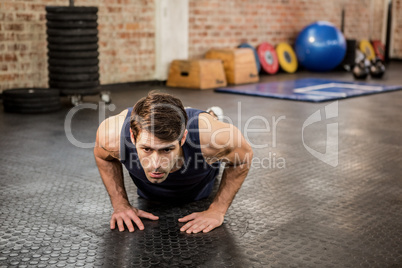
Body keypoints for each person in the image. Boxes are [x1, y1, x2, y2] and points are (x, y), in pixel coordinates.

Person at [94, 91, 253, 234]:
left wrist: (217, 210)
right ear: (133, 137)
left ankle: (211, 115)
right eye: (147, 149)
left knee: (207, 126)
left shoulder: (211, 139)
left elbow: (243, 158)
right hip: (149, 194)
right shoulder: (112, 135)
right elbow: (102, 157)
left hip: (200, 187)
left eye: (167, 150)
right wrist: (120, 204)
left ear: (182, 138)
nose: (156, 163)